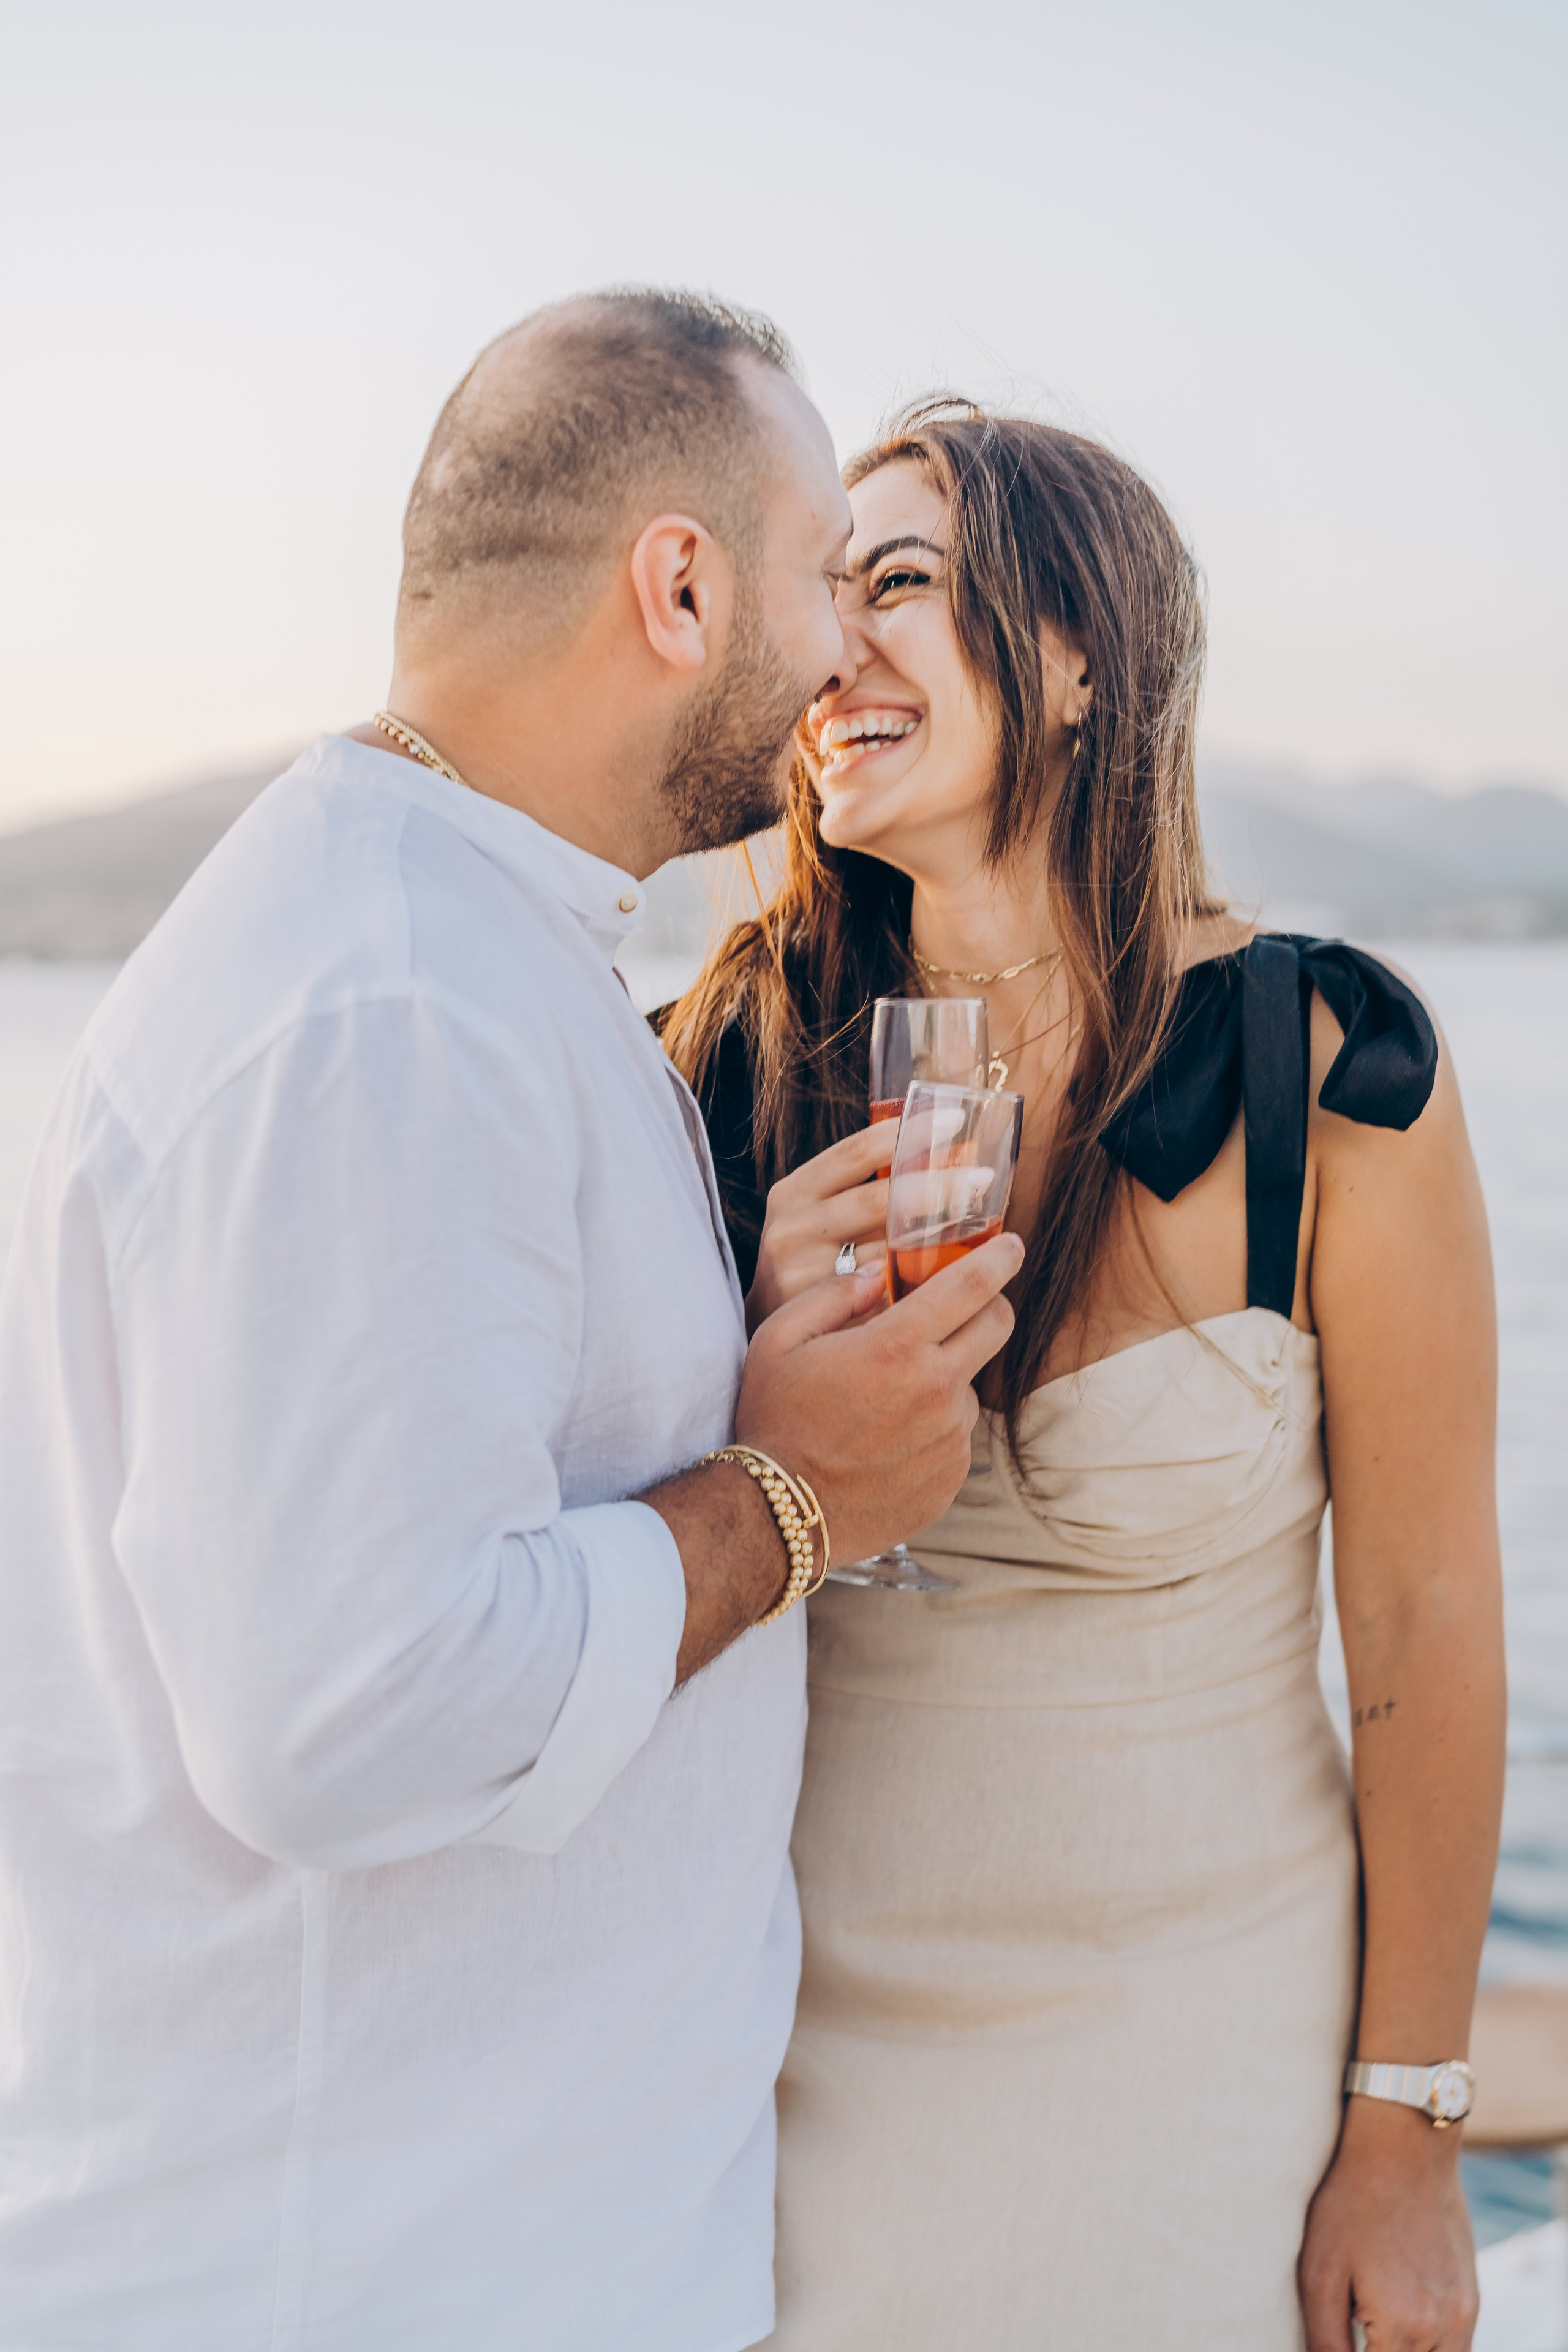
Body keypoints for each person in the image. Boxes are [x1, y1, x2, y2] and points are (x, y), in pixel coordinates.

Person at [0, 300, 1022, 2350]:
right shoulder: (388, 1003)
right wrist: (793, 1496)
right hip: (369, 2281)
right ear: (678, 585)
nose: (841, 643)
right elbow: (350, 1711)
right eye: (825, 571)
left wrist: (743, 1353)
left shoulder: (476, 951)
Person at [664, 401, 1506, 2351]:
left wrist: (1408, 2130)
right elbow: (609, 1563)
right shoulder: (725, 1068)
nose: (829, 653)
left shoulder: (1325, 1069)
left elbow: (1427, 1620)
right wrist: (743, 1363)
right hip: (786, 2055)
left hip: (1200, 2040)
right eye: (821, 598)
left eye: (900, 586)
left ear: (1071, 662)